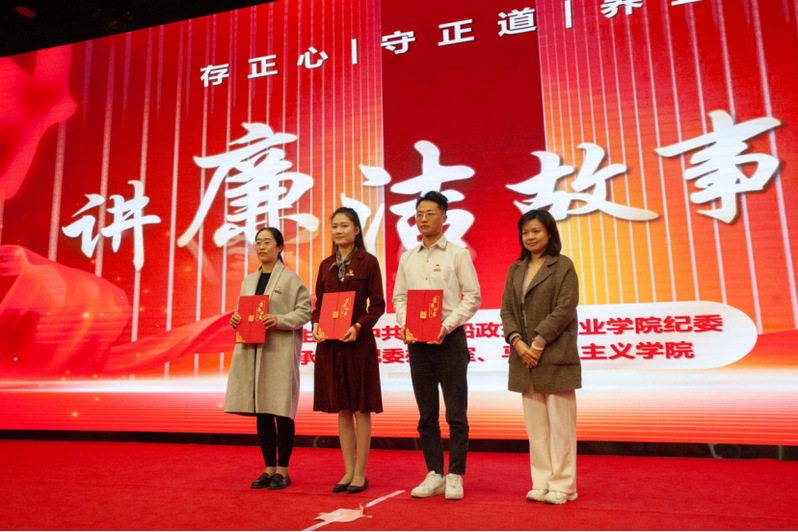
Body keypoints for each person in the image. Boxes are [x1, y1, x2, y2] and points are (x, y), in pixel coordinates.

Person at [392, 191, 481, 500]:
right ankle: (434, 473)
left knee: (456, 413)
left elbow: (473, 297)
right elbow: (399, 298)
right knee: (426, 414)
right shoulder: (408, 257)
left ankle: (455, 474)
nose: (423, 219)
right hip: (418, 342)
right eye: (419, 214)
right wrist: (407, 323)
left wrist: (447, 325)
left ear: (444, 217)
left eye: (430, 213)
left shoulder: (458, 254)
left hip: (450, 339)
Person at [499, 209, 581, 505]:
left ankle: (564, 485)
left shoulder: (562, 265)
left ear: (549, 233)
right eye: (525, 232)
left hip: (554, 353)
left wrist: (537, 343)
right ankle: (542, 481)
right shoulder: (516, 268)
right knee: (536, 430)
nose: (530, 237)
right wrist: (517, 342)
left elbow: (565, 307)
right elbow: (507, 310)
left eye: (536, 231)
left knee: (560, 427)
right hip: (524, 357)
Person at [225, 227, 312, 490]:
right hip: (252, 351)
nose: (261, 247)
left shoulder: (291, 279)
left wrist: (280, 320)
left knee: (282, 412)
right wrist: (236, 319)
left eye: (267, 242)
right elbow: (243, 311)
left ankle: (283, 471)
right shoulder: (249, 280)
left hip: (279, 351)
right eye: (258, 243)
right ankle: (268, 469)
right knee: (262, 411)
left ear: (280, 247)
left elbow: (305, 311)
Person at [312, 207, 386, 494]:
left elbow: (377, 306)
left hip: (358, 344)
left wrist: (358, 326)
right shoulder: (325, 265)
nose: (338, 231)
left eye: (344, 225)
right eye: (334, 226)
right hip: (331, 345)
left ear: (356, 230)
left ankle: (360, 473)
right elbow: (319, 305)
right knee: (342, 408)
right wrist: (316, 324)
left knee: (360, 408)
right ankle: (347, 471)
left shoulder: (368, 262)